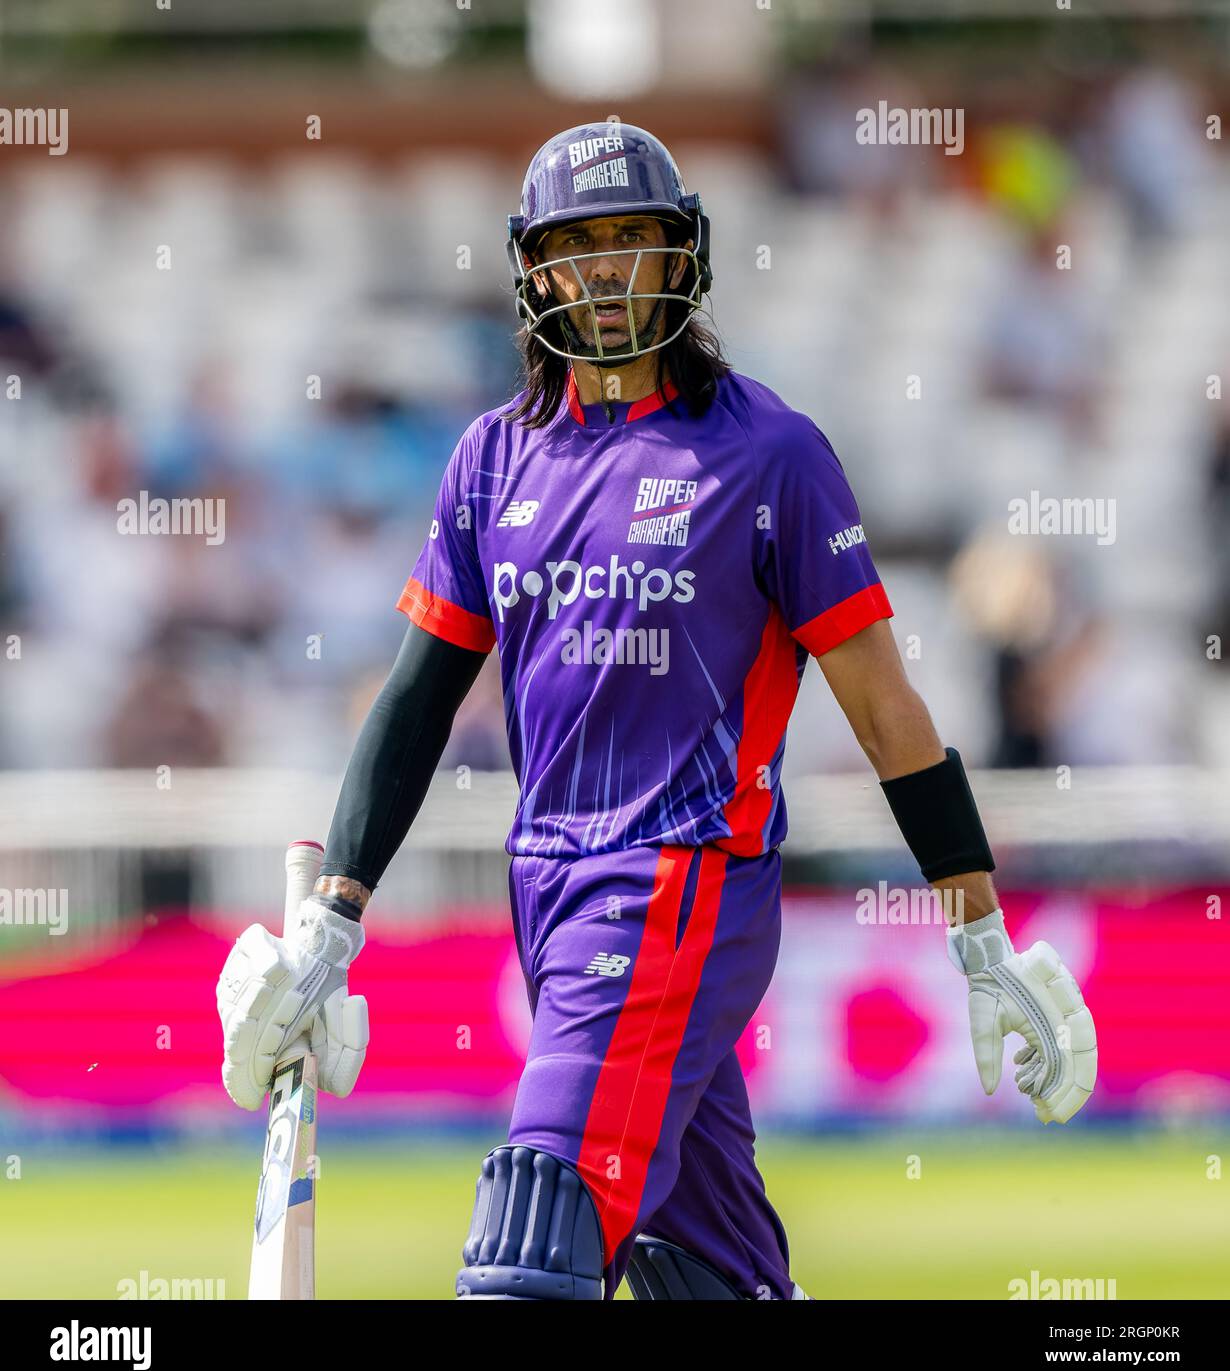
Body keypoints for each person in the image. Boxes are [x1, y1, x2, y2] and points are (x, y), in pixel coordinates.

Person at [216, 122, 1097, 1301]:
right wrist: (334, 922)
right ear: (534, 271)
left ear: (686, 256)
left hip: (681, 881)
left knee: (534, 1235)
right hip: (548, 890)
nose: (610, 275)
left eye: (636, 241)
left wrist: (979, 930)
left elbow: (887, 709)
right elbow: (419, 698)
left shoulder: (771, 456)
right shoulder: (490, 460)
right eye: (580, 249)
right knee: (710, 1274)